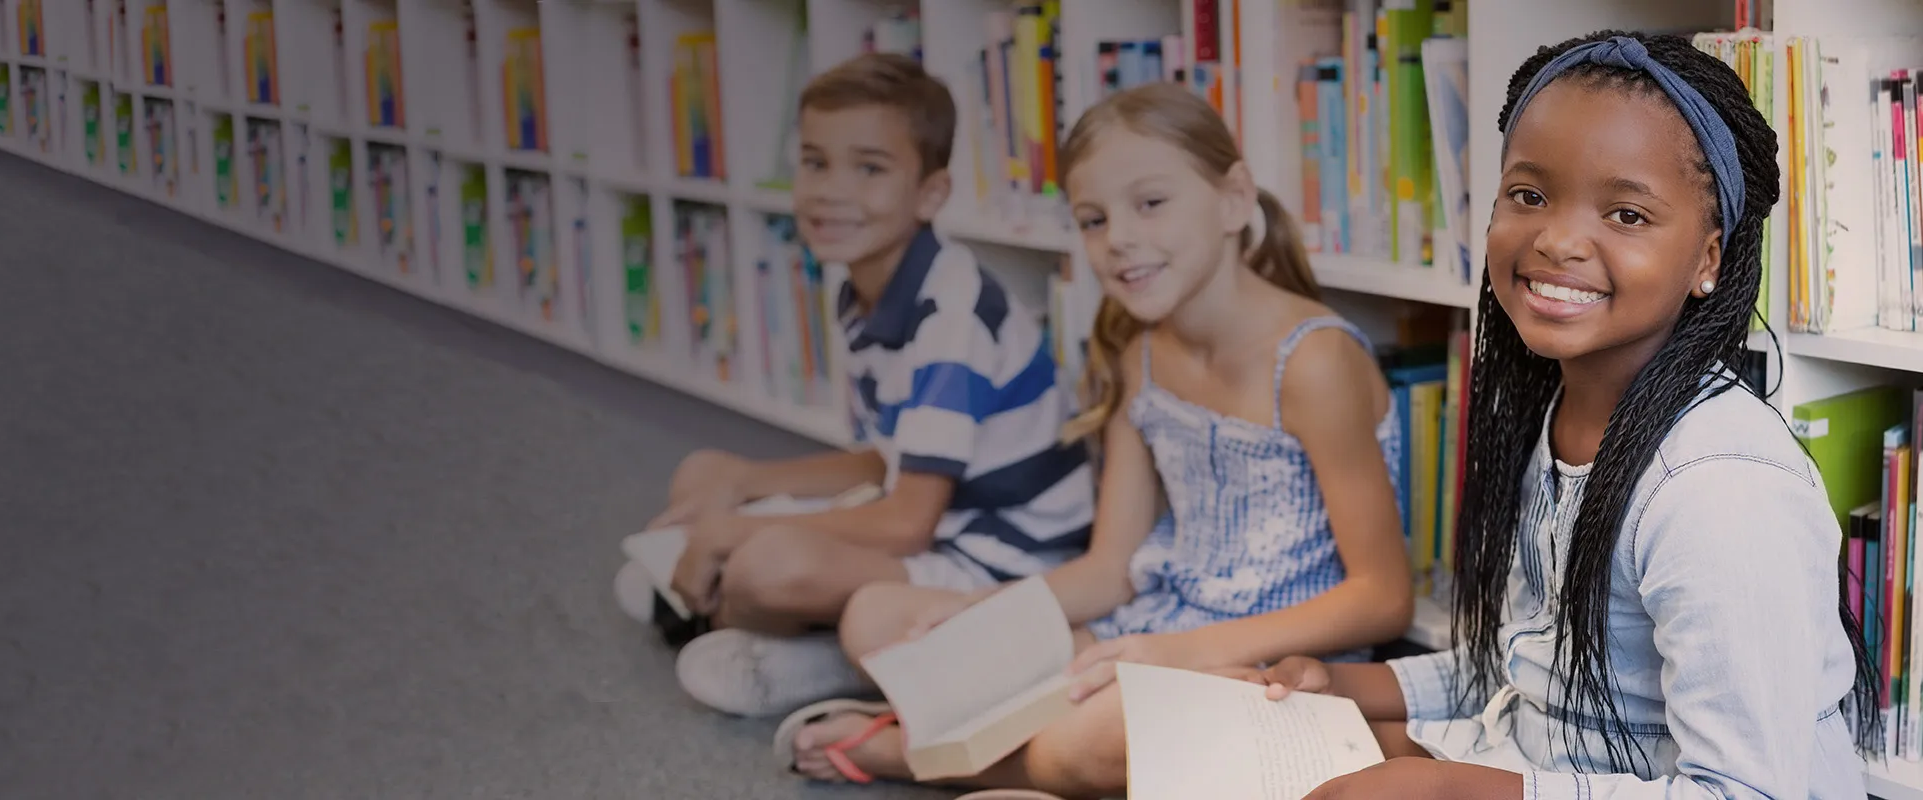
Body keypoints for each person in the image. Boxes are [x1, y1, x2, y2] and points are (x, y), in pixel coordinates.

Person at [1245, 31, 1880, 800]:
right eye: (1530, 195)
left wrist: (1453, 791)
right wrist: (1347, 685)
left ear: (1709, 259)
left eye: (1626, 214)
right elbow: (1531, 664)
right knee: (1234, 746)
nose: (1556, 239)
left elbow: (1745, 794)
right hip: (1536, 757)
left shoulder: (1722, 491)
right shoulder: (1553, 412)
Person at [776, 81, 1416, 797]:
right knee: (881, 617)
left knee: (1095, 732)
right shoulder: (1138, 356)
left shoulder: (1314, 361)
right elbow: (1109, 568)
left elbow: (1382, 598)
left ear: (1234, 199)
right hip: (1151, 620)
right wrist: (979, 617)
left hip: (1272, 659)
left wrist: (1176, 654)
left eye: (1150, 203)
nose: (1119, 240)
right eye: (1092, 219)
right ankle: (966, 728)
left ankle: (903, 749)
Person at [618, 53, 1096, 719]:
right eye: (816, 163)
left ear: (930, 193)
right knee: (707, 470)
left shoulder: (950, 314)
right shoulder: (862, 289)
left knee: (766, 566)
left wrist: (733, 534)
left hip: (998, 559)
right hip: (932, 517)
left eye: (869, 168)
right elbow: (892, 455)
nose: (830, 191)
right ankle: (739, 615)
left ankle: (830, 663)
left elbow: (907, 520)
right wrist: (742, 486)